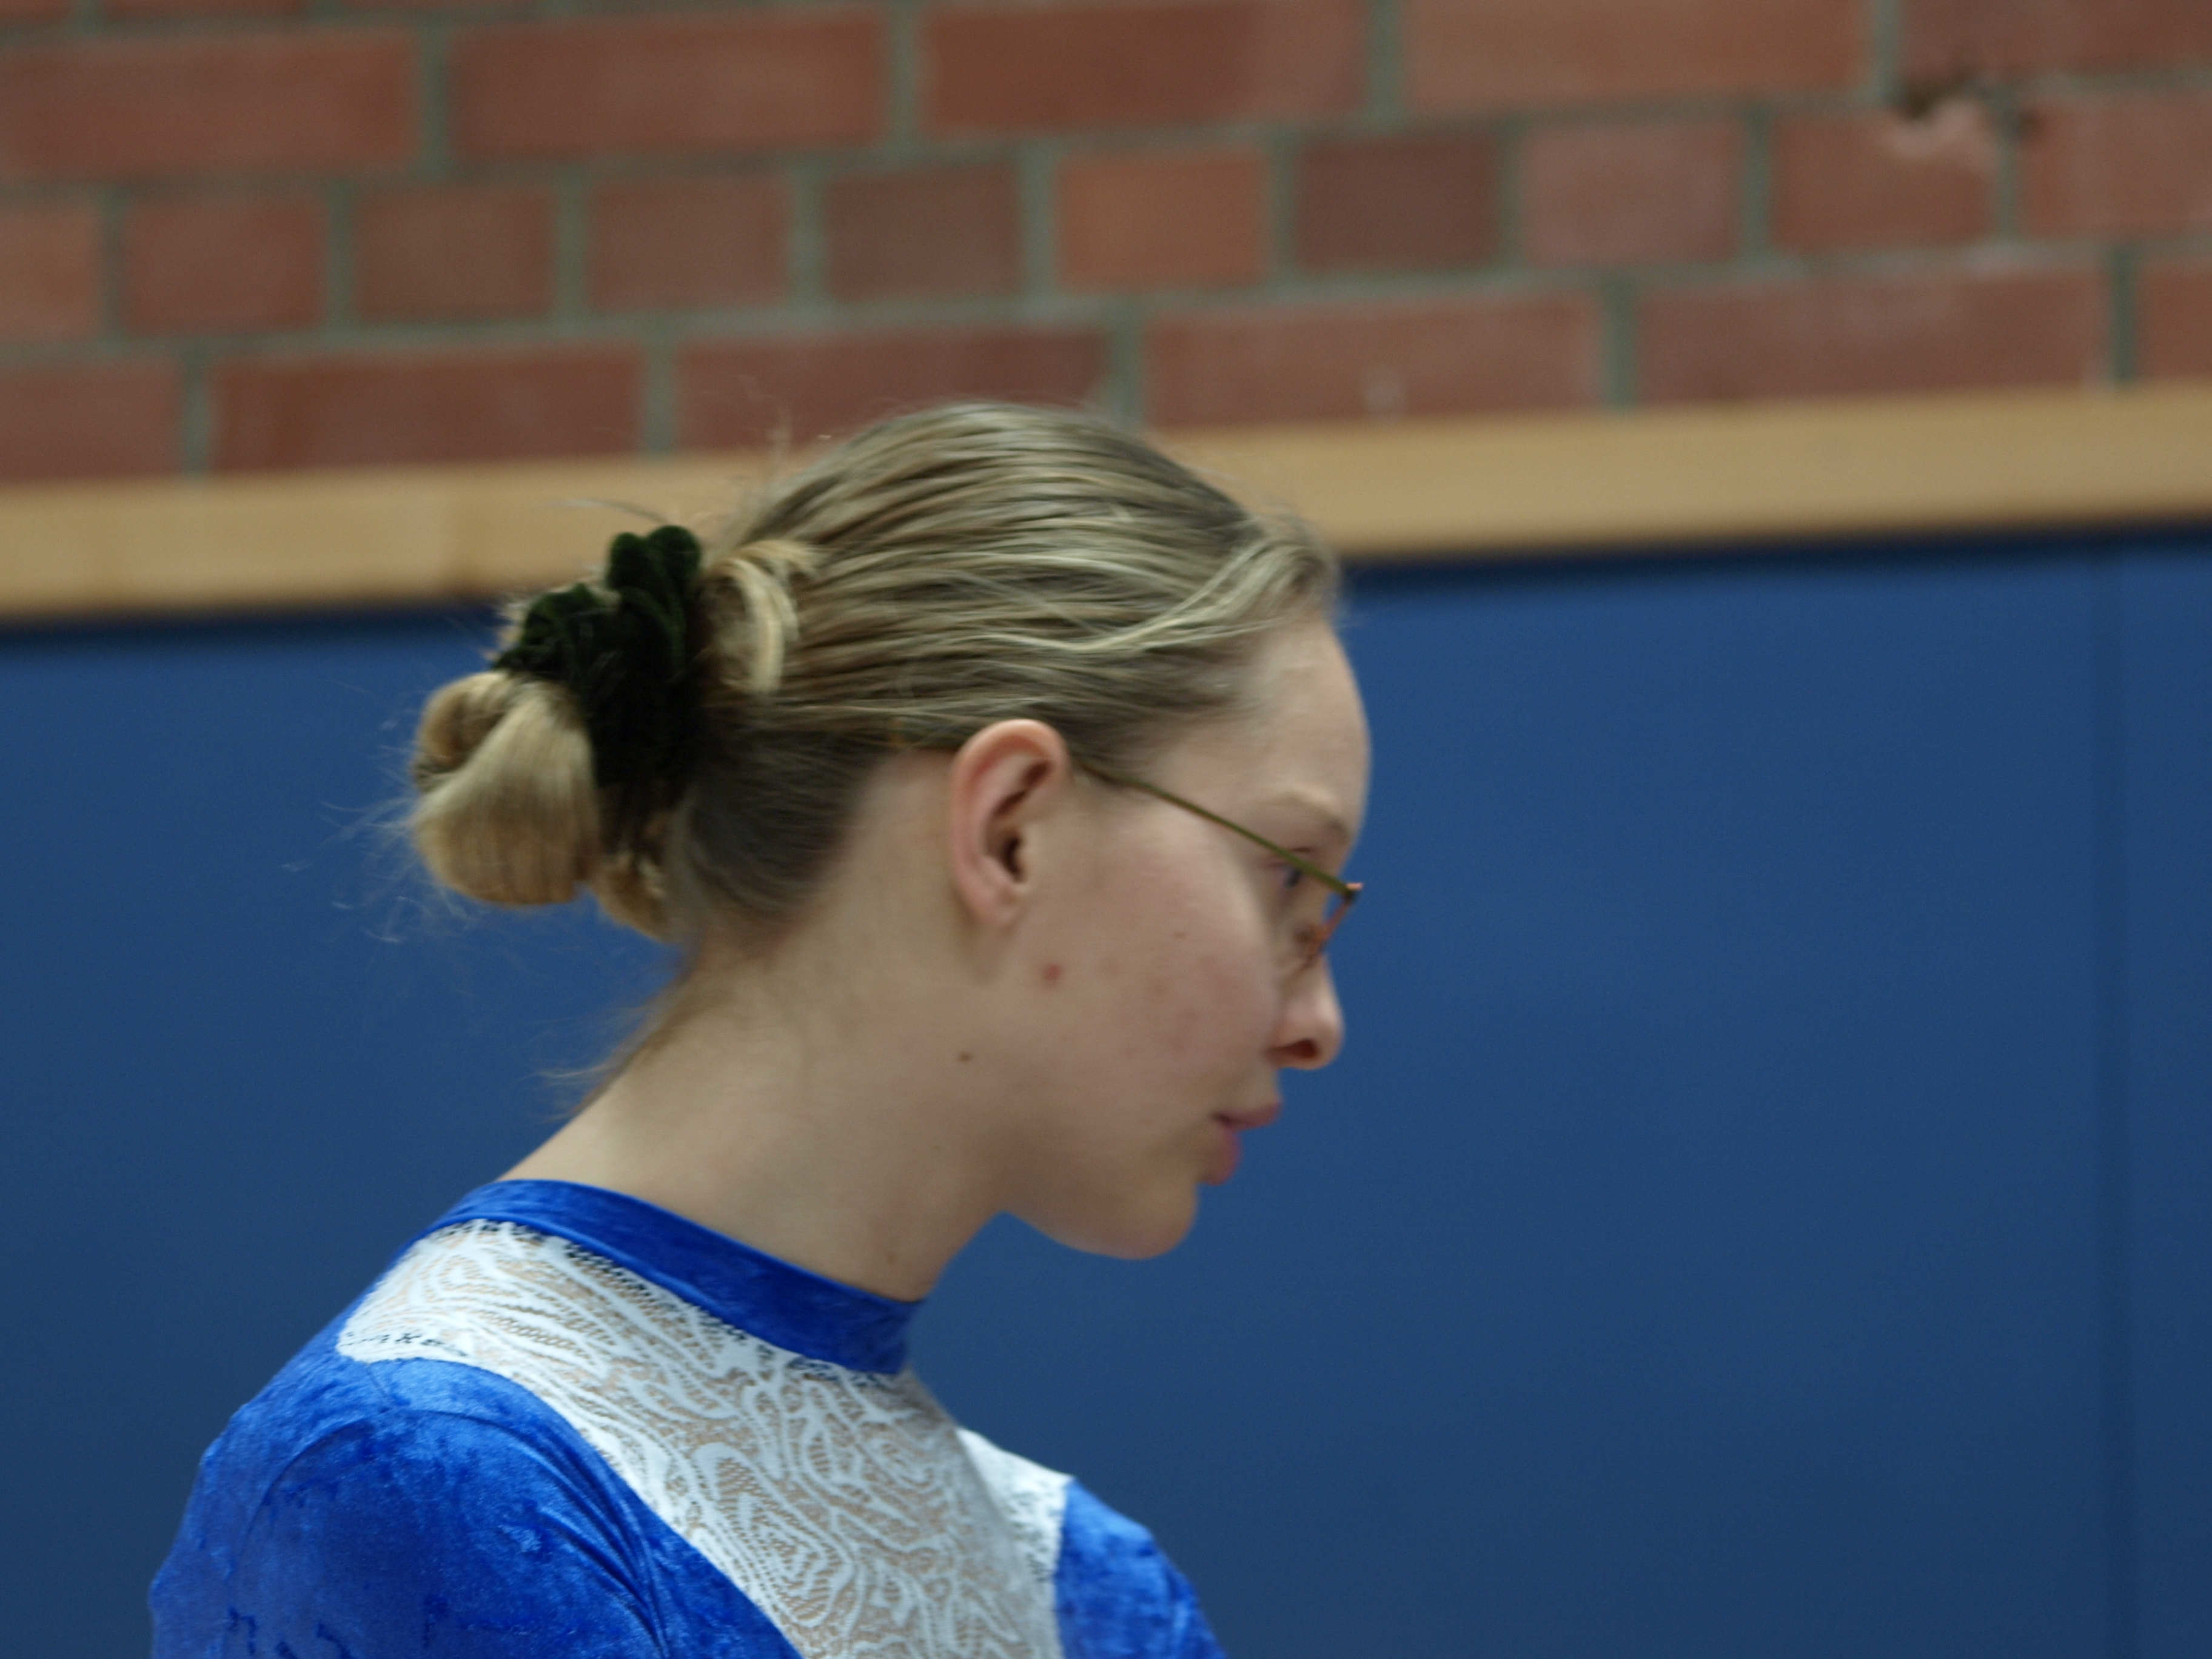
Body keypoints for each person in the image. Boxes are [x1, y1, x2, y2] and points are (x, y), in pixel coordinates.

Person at [151, 402, 1370, 1657]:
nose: (1318, 1022)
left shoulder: (1098, 1590)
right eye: (1291, 878)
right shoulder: (428, 1481)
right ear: (1011, 829)